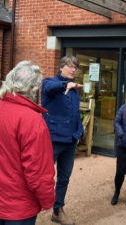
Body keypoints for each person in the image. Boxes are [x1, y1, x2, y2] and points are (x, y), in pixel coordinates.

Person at [0, 61, 55, 225]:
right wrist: (47, 199)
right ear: (34, 88)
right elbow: (37, 169)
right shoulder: (32, 120)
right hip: (18, 207)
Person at [41, 56, 84, 225]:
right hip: (53, 139)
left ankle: (57, 211)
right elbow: (50, 88)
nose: (73, 70)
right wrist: (66, 85)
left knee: (64, 177)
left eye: (76, 67)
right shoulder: (49, 83)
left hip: (70, 140)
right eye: (70, 66)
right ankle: (30, 209)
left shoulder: (74, 89)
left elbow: (75, 114)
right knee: (43, 176)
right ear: (61, 68)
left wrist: (79, 131)